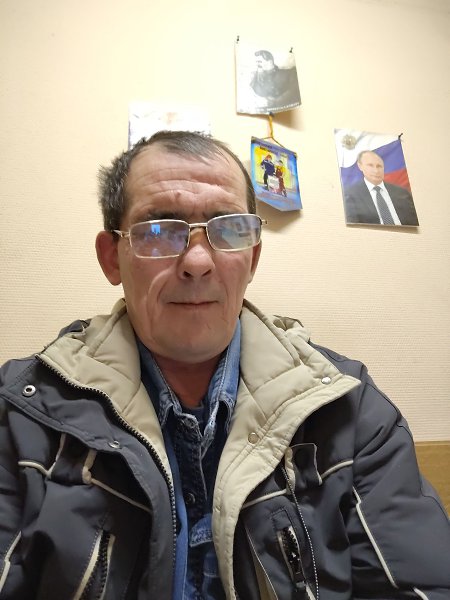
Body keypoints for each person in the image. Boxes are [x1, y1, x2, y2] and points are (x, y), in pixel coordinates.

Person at [0, 131, 448, 600]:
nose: (197, 262)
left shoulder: (350, 409)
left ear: (252, 257)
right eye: (160, 229)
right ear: (112, 257)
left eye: (229, 228)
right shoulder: (24, 413)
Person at [344, 150, 419, 226]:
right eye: (370, 165)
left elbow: (415, 223)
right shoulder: (350, 194)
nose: (376, 171)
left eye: (379, 166)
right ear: (360, 166)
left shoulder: (402, 193)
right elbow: (354, 227)